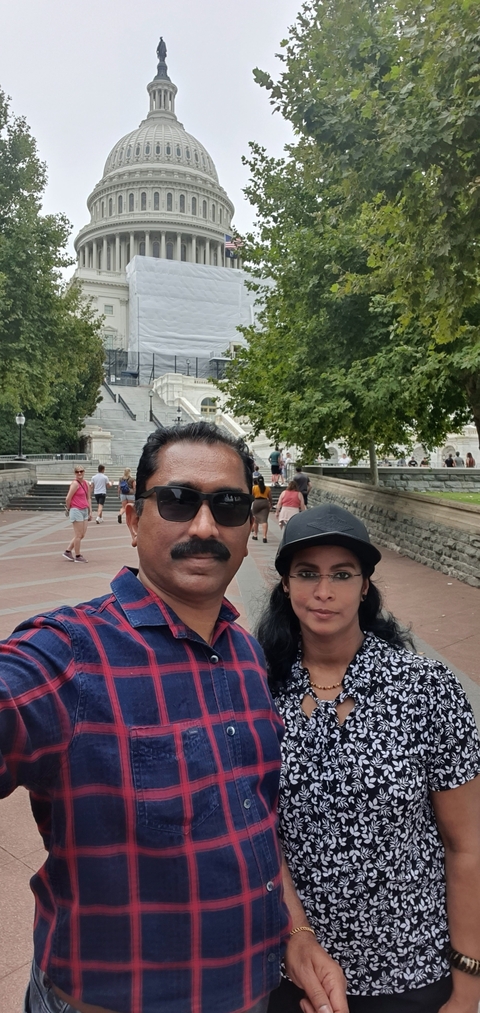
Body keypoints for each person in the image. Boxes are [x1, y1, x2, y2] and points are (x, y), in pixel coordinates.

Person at [0, 423, 347, 1013]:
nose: (205, 527)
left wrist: (296, 932)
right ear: (134, 522)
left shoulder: (243, 653)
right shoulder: (69, 653)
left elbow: (253, 816)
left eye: (230, 506)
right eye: (179, 501)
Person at [257, 504, 480, 1013]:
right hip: (294, 969)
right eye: (307, 574)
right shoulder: (261, 692)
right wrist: (295, 933)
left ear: (365, 586)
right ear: (286, 585)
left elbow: (467, 844)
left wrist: (468, 986)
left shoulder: (425, 689)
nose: (323, 592)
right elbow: (259, 829)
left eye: (342, 574)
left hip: (411, 969)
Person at [62, 464, 92, 563]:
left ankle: (68, 551)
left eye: (81, 471)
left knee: (82, 534)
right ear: (75, 473)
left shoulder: (86, 483)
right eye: (77, 472)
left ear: (84, 472)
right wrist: (70, 508)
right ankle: (78, 555)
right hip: (76, 509)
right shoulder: (75, 484)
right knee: (78, 534)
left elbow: (88, 498)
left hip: (84, 510)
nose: (79, 473)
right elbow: (68, 498)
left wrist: (90, 511)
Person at [252, 474, 273, 543]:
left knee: (255, 519)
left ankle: (255, 535)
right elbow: (270, 497)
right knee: (264, 520)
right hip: (265, 502)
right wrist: (271, 503)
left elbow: (252, 496)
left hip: (256, 502)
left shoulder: (254, 488)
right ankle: (264, 536)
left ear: (257, 481)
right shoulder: (267, 488)